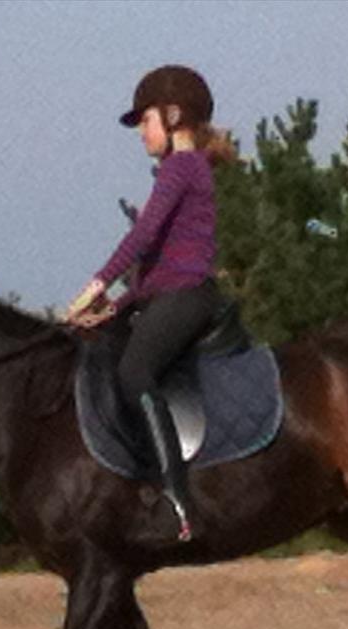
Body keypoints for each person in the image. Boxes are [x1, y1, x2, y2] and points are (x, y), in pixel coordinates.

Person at [67, 64, 235, 542]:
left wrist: (97, 283)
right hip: (169, 293)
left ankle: (178, 499)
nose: (141, 131)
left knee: (134, 373)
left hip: (189, 297)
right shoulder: (178, 170)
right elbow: (153, 271)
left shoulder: (182, 168)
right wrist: (113, 308)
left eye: (146, 120)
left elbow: (141, 238)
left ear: (175, 115)